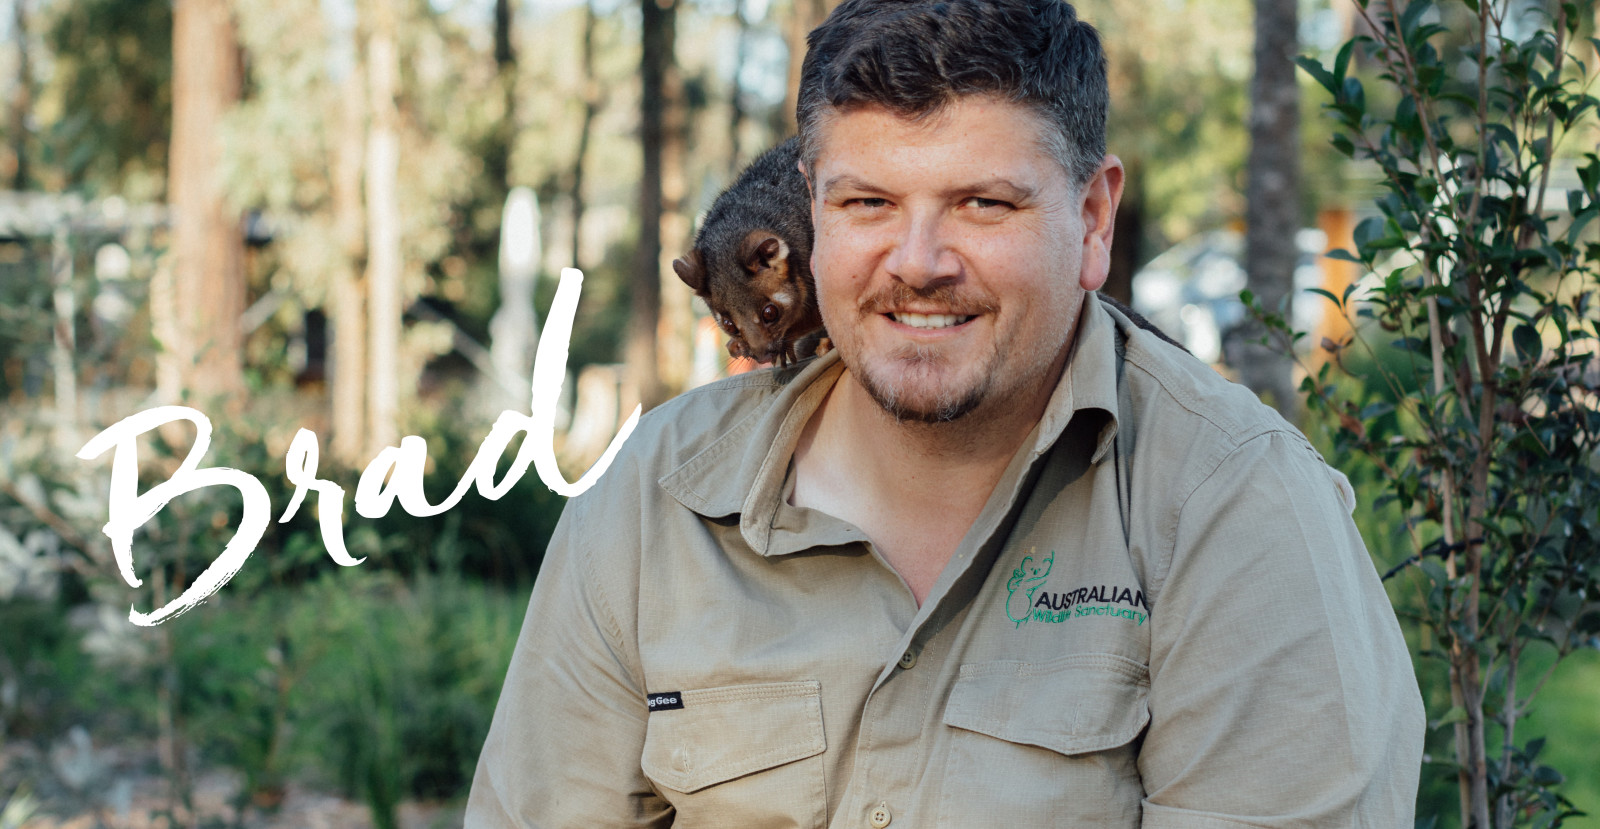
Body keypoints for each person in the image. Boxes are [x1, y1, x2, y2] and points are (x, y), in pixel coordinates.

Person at [466, 0, 1426, 825]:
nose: (918, 260)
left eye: (982, 204)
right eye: (870, 201)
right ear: (812, 211)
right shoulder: (651, 503)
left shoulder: (1241, 515)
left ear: (1093, 220)